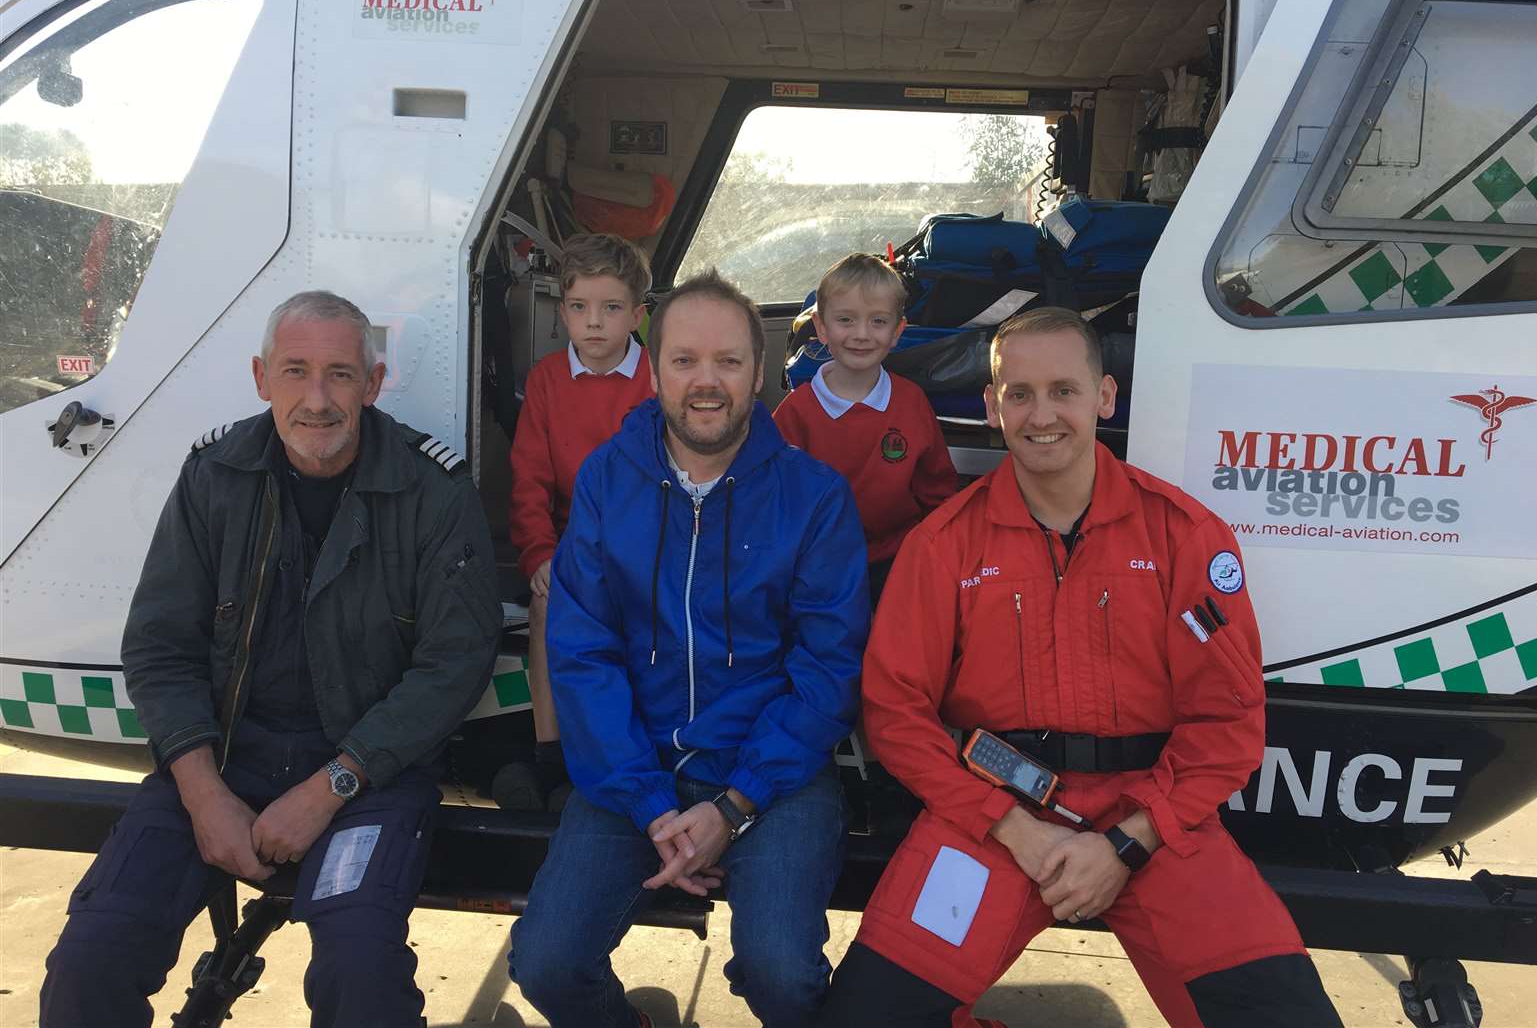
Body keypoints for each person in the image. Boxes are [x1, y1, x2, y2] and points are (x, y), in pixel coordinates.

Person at [819, 308, 1341, 1028]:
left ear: (1104, 397)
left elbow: (1227, 722)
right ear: (993, 407)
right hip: (994, 822)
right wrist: (1013, 828)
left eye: (1063, 390)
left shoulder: (1184, 536)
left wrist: (1129, 841)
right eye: (1020, 394)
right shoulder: (944, 545)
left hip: (1155, 820)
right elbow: (895, 714)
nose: (1042, 415)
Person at [40, 291, 502, 1028]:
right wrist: (203, 795)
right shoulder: (215, 475)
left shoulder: (433, 491)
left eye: (341, 375)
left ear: (373, 384)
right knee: (90, 961)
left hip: (366, 776)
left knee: (361, 975)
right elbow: (160, 648)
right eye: (296, 371)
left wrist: (331, 786)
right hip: (220, 759)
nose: (317, 400)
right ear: (262, 378)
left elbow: (455, 663)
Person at [508, 270, 870, 1028]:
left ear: (759, 371)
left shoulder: (815, 496)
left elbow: (827, 672)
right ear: (653, 368)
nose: (706, 382)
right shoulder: (609, 481)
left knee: (780, 973)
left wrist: (732, 807)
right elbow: (582, 654)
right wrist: (648, 804)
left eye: (729, 362)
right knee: (545, 963)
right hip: (636, 772)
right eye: (684, 361)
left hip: (773, 780)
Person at [506, 232, 655, 809]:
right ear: (561, 308)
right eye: (578, 307)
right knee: (547, 603)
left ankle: (628, 749)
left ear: (637, 314)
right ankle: (551, 754)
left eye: (611, 308)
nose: (594, 323)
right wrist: (538, 555)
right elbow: (529, 481)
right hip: (570, 544)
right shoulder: (546, 381)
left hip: (643, 543)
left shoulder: (656, 380)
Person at [774, 253, 958, 605]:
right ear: (822, 327)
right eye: (846, 320)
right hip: (817, 562)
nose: (861, 334)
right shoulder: (795, 413)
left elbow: (938, 491)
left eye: (877, 321)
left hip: (898, 557)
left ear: (897, 332)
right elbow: (776, 503)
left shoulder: (911, 403)